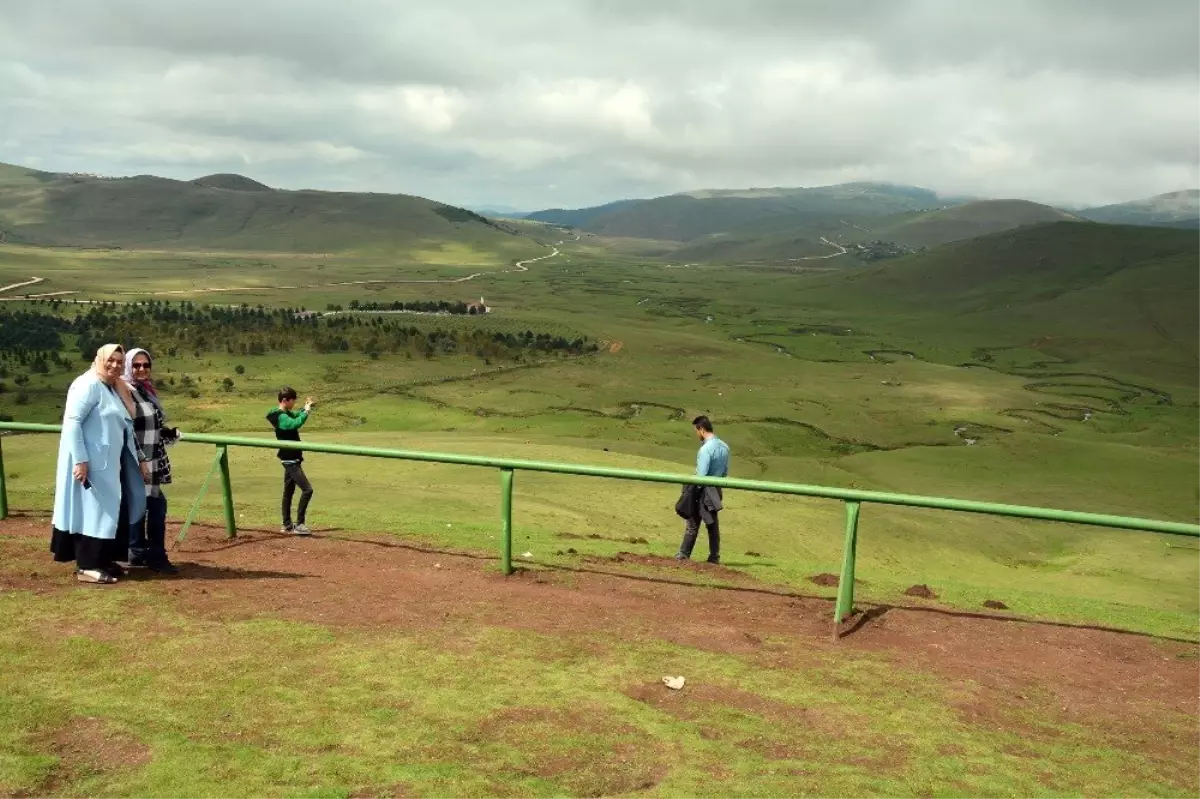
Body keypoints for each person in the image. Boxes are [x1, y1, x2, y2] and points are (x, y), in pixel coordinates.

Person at [51, 344, 150, 584]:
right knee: (92, 512)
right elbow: (73, 422)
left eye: (119, 361)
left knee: (107, 512)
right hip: (92, 465)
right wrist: (81, 460)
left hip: (108, 464)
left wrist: (139, 460)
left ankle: (103, 560)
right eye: (110, 360)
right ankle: (87, 566)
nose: (115, 365)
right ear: (99, 359)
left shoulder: (111, 388)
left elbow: (125, 425)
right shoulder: (88, 385)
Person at [124, 347, 181, 574]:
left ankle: (138, 553)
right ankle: (155, 556)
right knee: (154, 507)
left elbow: (149, 424)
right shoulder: (125, 391)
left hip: (152, 458)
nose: (141, 369)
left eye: (146, 365)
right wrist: (139, 460)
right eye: (136, 365)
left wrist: (166, 433)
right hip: (139, 461)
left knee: (144, 506)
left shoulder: (146, 390)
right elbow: (128, 428)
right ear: (128, 366)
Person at [675, 415, 730, 564]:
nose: (697, 434)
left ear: (701, 429)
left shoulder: (705, 449)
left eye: (696, 431)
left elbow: (701, 475)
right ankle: (714, 556)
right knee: (712, 524)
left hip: (702, 490)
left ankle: (683, 554)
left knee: (692, 523)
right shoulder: (725, 447)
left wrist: (692, 492)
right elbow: (725, 473)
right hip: (715, 489)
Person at [267, 387, 315, 535]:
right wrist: (306, 412)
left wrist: (305, 408)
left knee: (288, 492)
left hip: (290, 458)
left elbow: (295, 416)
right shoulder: (281, 417)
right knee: (307, 490)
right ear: (285, 400)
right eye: (293, 401)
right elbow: (295, 423)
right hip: (290, 460)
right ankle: (299, 524)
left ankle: (286, 524)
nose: (294, 404)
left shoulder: (284, 414)